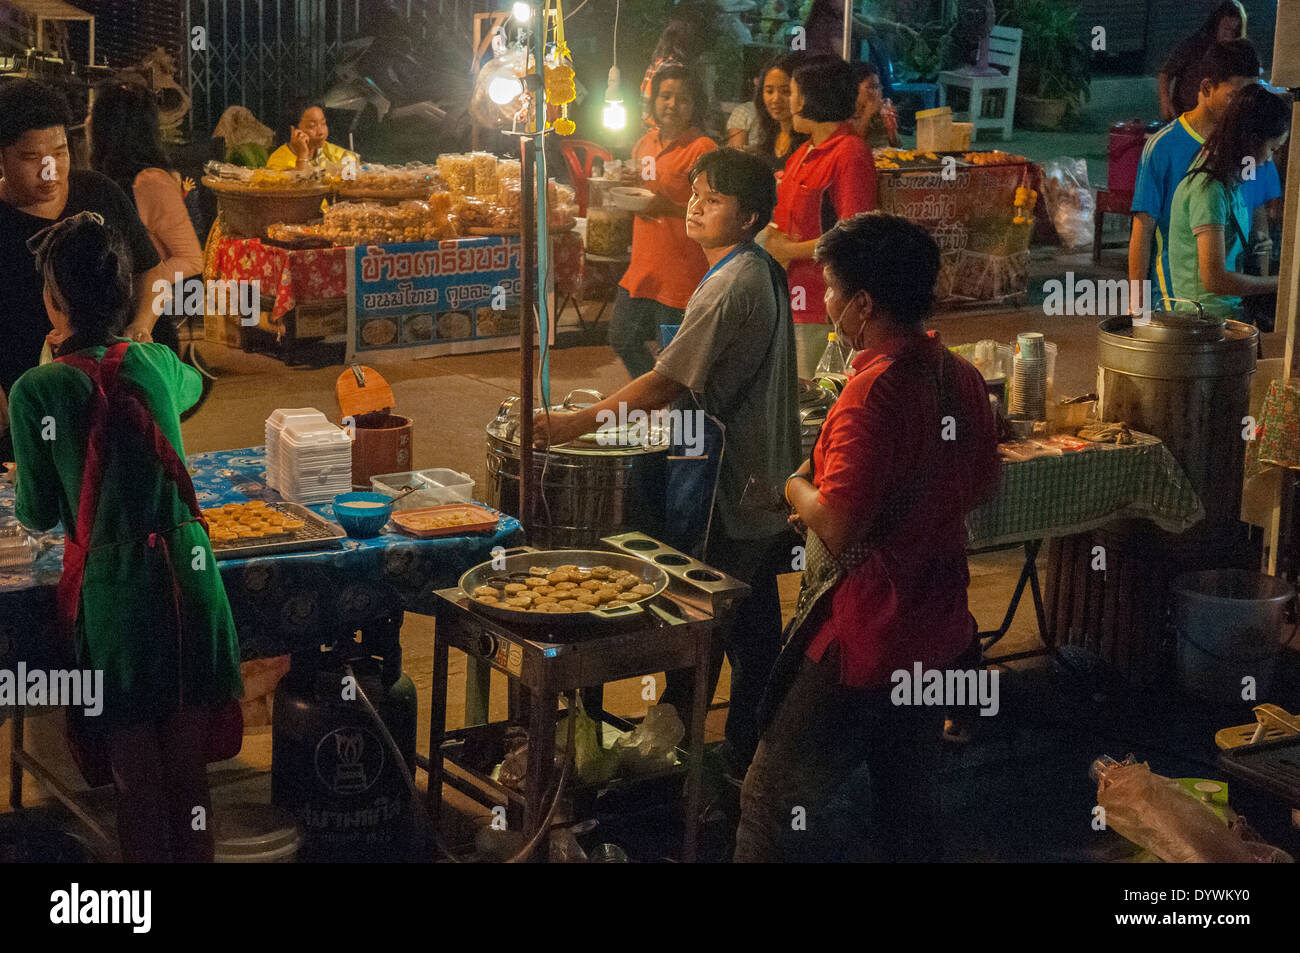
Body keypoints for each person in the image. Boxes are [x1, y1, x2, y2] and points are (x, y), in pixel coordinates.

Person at [734, 212, 1000, 863]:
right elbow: (983, 485)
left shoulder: (871, 394)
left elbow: (843, 522)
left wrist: (793, 490)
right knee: (909, 806)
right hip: (936, 629)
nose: (823, 302)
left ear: (863, 303)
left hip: (864, 637)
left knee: (769, 801)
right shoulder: (957, 374)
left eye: (829, 288)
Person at [537, 149, 800, 774]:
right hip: (761, 477)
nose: (696, 204)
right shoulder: (751, 267)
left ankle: (679, 764)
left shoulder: (732, 283)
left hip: (728, 481)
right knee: (754, 621)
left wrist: (573, 423)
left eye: (714, 199)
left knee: (702, 624)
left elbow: (666, 383)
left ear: (750, 217)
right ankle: (751, 757)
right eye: (697, 192)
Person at [9, 213, 242, 862]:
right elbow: (192, 387)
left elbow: (38, 510)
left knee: (137, 781)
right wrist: (137, 342)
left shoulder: (37, 390)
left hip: (118, 600)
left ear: (54, 302)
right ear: (124, 295)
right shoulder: (158, 360)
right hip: (193, 582)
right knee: (191, 778)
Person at [0, 80, 161, 450]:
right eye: (30, 159)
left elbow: (151, 269)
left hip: (108, 395)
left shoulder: (99, 193)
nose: (50, 170)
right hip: (22, 406)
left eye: (60, 152)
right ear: (2, 158)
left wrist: (141, 325)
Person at [1130, 39, 1266, 309]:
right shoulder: (1163, 146)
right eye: (1234, 97)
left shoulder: (1248, 143)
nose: (1243, 107)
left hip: (1230, 303)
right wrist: (1138, 308)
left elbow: (1255, 213)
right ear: (1206, 88)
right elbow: (1143, 229)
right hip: (1176, 304)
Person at [764, 54, 876, 380]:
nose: (787, 102)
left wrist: (787, 251)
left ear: (815, 97)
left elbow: (856, 232)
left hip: (825, 304)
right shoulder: (803, 153)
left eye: (793, 92)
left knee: (815, 402)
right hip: (792, 299)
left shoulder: (849, 152)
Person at [611, 64, 717, 380]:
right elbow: (644, 189)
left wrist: (667, 207)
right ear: (653, 100)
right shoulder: (645, 144)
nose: (672, 104)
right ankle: (658, 403)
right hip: (642, 268)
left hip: (682, 274)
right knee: (622, 339)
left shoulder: (703, 149)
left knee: (676, 357)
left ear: (695, 104)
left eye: (682, 99)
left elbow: (712, 208)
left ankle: (680, 420)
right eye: (665, 96)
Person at [89, 83, 204, 357]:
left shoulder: (150, 181)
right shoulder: (102, 177)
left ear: (110, 128)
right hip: (113, 324)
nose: (86, 120)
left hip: (145, 332)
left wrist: (143, 283)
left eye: (94, 115)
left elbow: (191, 259)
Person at [1168, 83, 1290, 319]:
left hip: (1225, 319)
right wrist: (1282, 283)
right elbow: (1215, 279)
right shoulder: (1209, 190)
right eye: (1272, 149)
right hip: (1204, 326)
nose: (1269, 160)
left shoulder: (1230, 184)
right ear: (1253, 140)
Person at [1159, 1, 1247, 122]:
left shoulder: (1237, 52)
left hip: (1218, 119)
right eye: (1226, 29)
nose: (1229, 36)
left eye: (1234, 31)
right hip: (1186, 115)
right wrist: (1165, 102)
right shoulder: (1195, 44)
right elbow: (1166, 73)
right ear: (1215, 25)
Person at [748, 54, 808, 172]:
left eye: (785, 91)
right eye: (769, 91)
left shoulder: (810, 143)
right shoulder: (768, 134)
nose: (775, 99)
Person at [266, 100, 358, 172]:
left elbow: (352, 161)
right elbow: (299, 189)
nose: (321, 132)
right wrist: (302, 155)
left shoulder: (327, 150)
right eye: (312, 126)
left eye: (323, 123)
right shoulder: (278, 161)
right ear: (294, 131)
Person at [849, 60, 899, 149]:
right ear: (854, 88)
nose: (875, 92)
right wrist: (867, 115)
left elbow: (897, 146)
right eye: (870, 87)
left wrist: (891, 129)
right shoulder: (844, 114)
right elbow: (851, 145)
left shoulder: (880, 112)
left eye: (877, 87)